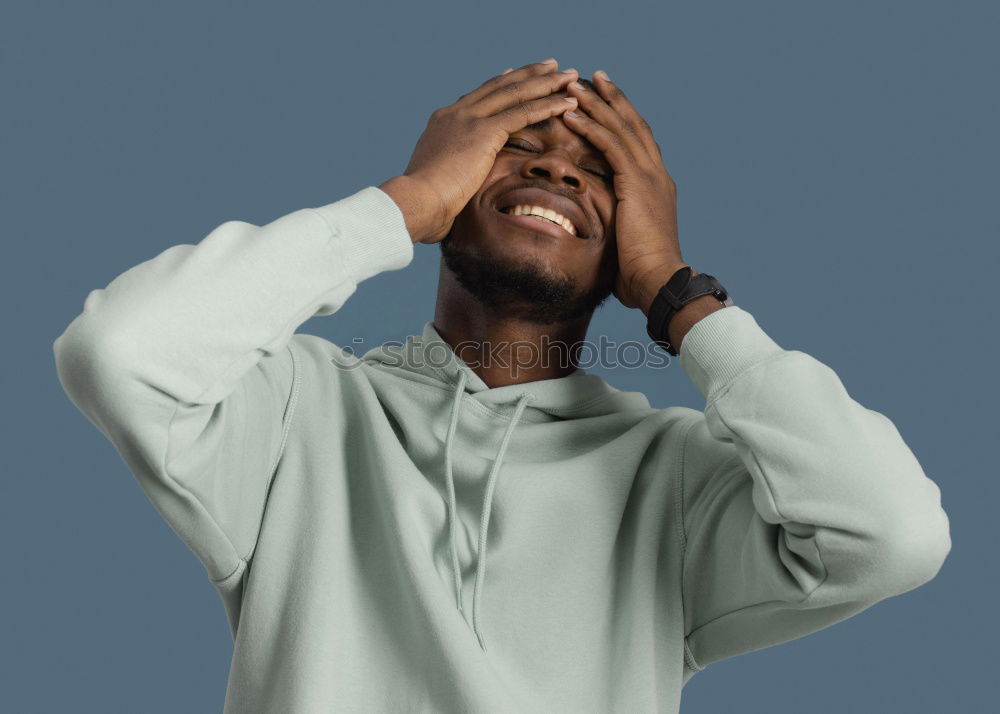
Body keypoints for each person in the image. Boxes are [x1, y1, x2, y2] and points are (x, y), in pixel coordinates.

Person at [53, 58, 951, 713]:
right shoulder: (299, 412)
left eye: (600, 174)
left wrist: (679, 293)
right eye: (517, 147)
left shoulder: (676, 480)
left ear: (628, 245)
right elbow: (118, 350)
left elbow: (893, 535)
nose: (558, 168)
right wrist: (399, 204)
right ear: (454, 193)